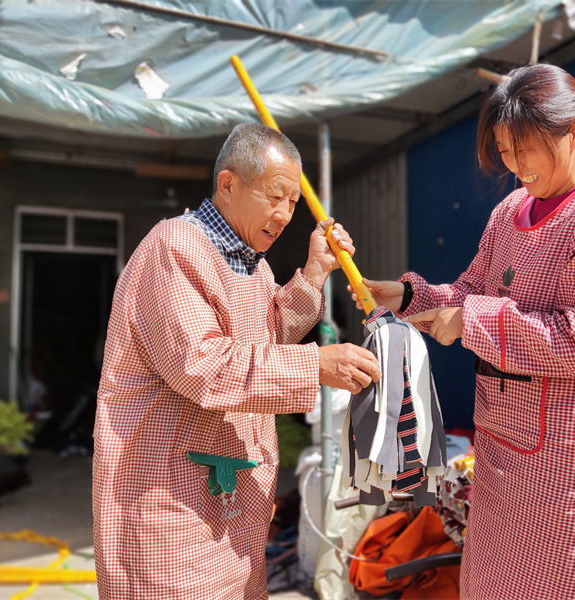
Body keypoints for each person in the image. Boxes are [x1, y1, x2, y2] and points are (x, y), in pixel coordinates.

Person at [350, 64, 575, 599]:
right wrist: (413, 297)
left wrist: (473, 321)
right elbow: (471, 290)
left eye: (526, 147)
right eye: (505, 150)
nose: (516, 165)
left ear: (574, 132)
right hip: (505, 455)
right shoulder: (509, 213)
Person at [93, 123, 381, 599]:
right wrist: (315, 365)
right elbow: (205, 367)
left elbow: (267, 339)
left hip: (229, 494)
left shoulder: (253, 262)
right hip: (168, 498)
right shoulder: (176, 248)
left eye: (293, 201)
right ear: (228, 185)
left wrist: (314, 272)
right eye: (276, 196)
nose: (286, 214)